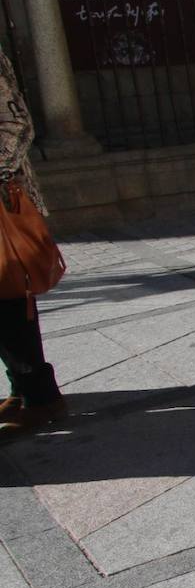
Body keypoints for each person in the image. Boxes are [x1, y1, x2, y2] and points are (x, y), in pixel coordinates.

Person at [0, 45, 64, 439]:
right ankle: (23, 388)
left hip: (3, 201)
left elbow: (17, 125)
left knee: (9, 295)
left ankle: (38, 394)